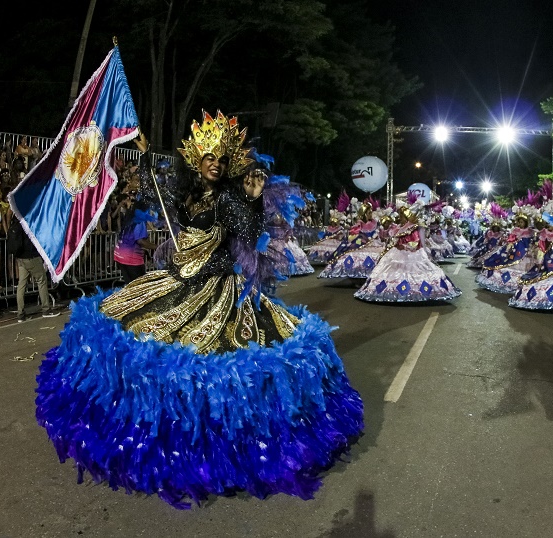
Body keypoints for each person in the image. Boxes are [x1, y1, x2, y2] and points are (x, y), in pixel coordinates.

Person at [35, 111, 363, 509]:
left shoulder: (227, 198)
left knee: (212, 360)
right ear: (195, 160)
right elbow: (158, 197)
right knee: (133, 336)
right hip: (175, 279)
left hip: (216, 288)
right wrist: (146, 158)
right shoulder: (189, 195)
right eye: (208, 157)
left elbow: (249, 234)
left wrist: (253, 200)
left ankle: (217, 447)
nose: (215, 163)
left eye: (221, 159)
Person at [355, 203, 461, 302]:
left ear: (406, 216)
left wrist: (405, 246)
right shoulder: (401, 228)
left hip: (412, 254)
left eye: (401, 216)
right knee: (389, 269)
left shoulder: (413, 228)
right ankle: (388, 290)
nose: (400, 218)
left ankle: (415, 291)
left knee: (415, 271)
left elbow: (414, 243)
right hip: (399, 252)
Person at [9, 215, 59, 322]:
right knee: (41, 280)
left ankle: (20, 314)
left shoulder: (16, 222)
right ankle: (46, 309)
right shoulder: (28, 222)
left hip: (20, 257)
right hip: (31, 256)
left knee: (22, 284)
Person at [112, 199, 158, 283]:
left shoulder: (129, 218)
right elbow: (140, 241)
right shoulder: (139, 221)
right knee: (140, 286)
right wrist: (158, 247)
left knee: (130, 285)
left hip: (120, 255)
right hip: (131, 258)